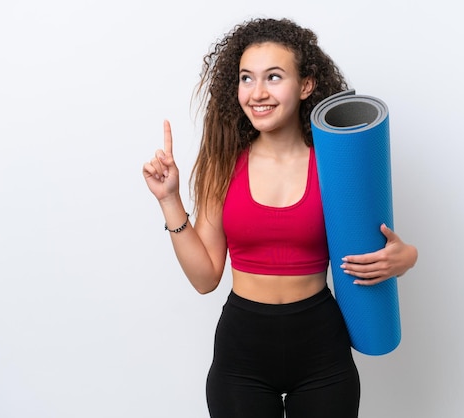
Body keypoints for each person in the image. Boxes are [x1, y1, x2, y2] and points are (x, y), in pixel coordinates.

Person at [143, 17, 418, 418]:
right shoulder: (223, 165)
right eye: (246, 78)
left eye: (273, 77)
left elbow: (381, 242)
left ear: (305, 85)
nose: (257, 93)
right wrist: (169, 200)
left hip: (322, 350)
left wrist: (407, 257)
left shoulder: (334, 166)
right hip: (242, 355)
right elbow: (205, 278)